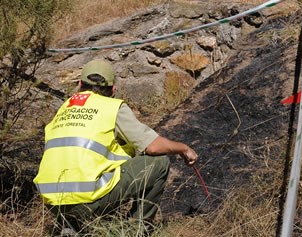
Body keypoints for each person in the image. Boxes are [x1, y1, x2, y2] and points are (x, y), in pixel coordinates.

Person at [33, 59, 198, 234]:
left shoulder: (65, 107)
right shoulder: (112, 107)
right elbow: (153, 147)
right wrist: (184, 148)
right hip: (87, 198)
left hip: (53, 203)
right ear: (113, 90)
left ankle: (73, 226)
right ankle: (134, 231)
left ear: (80, 84)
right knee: (159, 163)